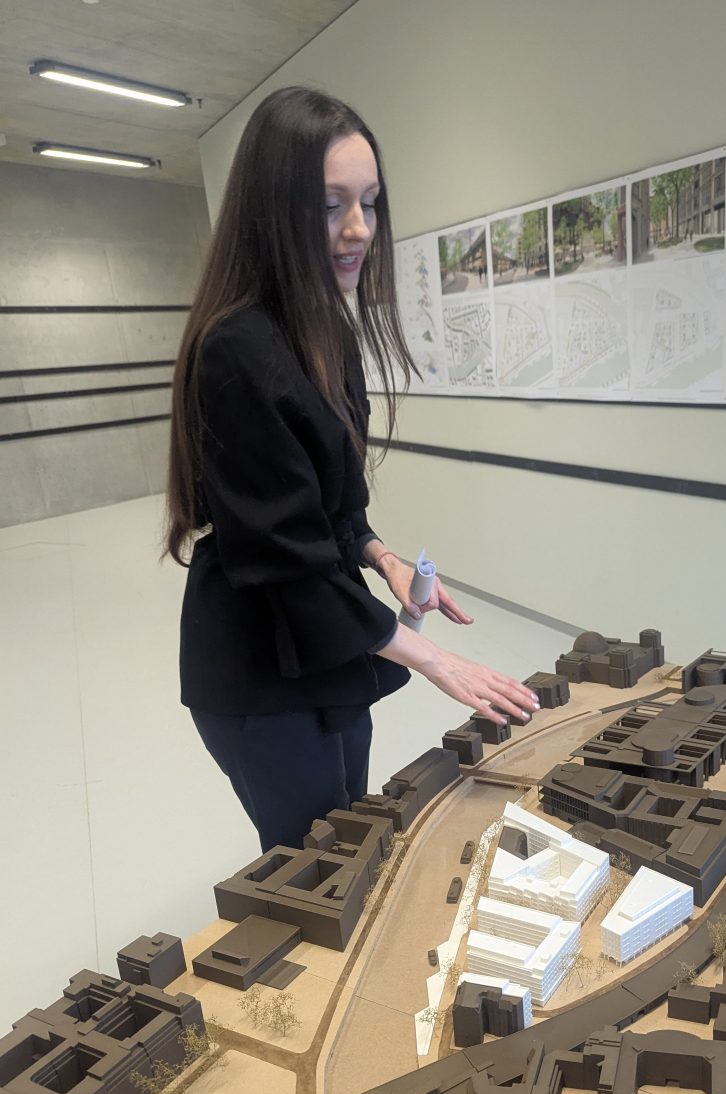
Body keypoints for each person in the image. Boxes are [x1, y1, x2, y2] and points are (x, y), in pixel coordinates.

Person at [164, 87, 539, 852]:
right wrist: (439, 663)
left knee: (353, 830)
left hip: (328, 647)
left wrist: (382, 557)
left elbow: (330, 507)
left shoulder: (323, 332)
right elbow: (285, 559)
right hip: (258, 663)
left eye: (369, 202)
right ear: (271, 209)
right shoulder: (237, 349)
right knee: (313, 861)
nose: (359, 228)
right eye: (330, 205)